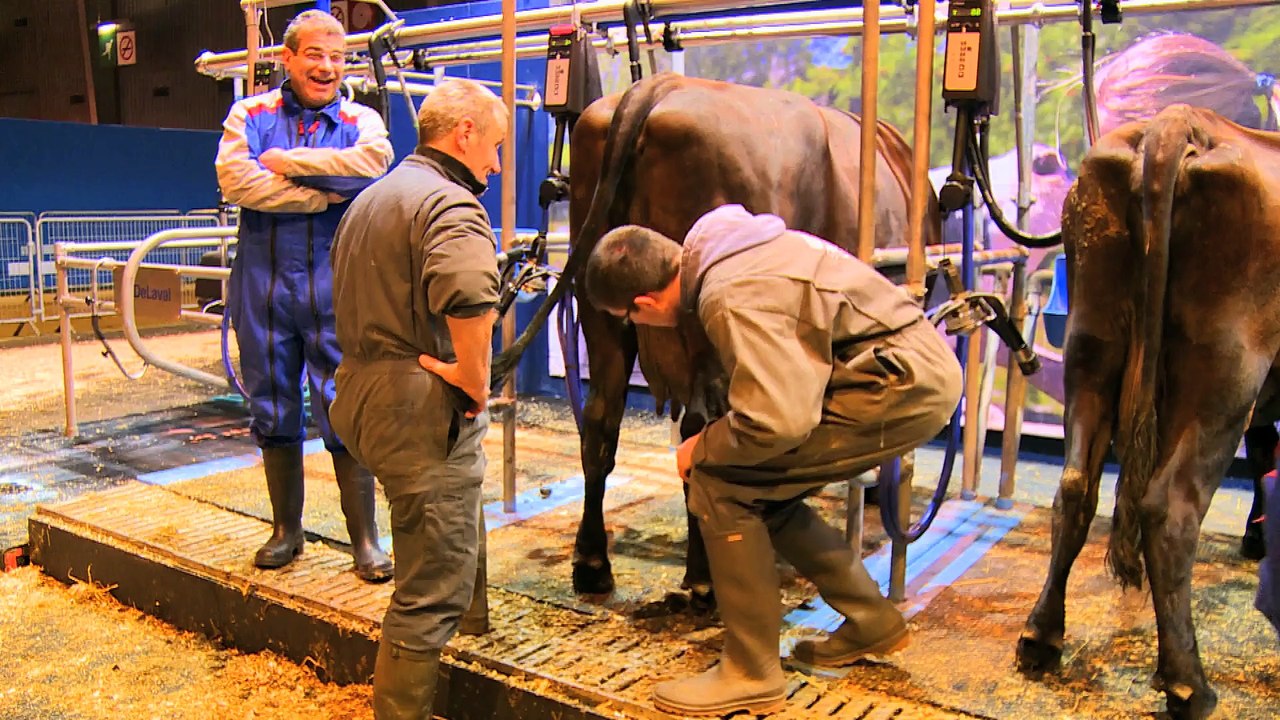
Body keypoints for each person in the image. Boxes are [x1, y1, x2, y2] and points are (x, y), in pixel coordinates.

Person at [584, 204, 963, 716]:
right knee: (760, 486)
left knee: (718, 484)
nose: (638, 325)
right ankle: (871, 620)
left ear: (646, 302)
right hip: (899, 368)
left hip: (897, 384)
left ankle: (751, 670)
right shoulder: (723, 246)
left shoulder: (727, 295)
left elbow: (777, 420)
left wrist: (704, 446)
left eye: (629, 318)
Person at [328, 78, 507, 719]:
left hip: (357, 389)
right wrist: (474, 374)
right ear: (463, 135)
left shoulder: (372, 197)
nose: (495, 162)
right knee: (430, 587)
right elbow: (467, 290)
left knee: (441, 515)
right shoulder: (451, 204)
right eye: (494, 146)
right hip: (415, 400)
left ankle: (473, 628)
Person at [214, 9, 394, 582]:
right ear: (286, 58)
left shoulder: (361, 118)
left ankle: (364, 539)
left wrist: (288, 166)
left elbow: (373, 165)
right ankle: (286, 531)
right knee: (271, 401)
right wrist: (323, 194)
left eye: (338, 56)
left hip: (335, 283)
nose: (327, 66)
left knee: (346, 402)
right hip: (263, 286)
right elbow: (235, 179)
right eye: (315, 54)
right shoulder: (250, 112)